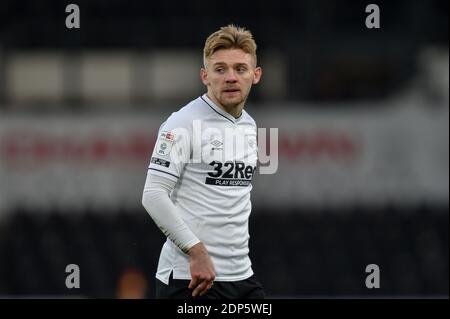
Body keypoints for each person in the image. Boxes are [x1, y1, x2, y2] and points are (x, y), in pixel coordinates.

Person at [141, 24, 265, 299]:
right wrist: (195, 252)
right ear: (205, 75)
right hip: (191, 279)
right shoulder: (182, 123)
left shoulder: (249, 125)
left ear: (255, 75)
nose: (231, 77)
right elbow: (152, 194)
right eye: (220, 69)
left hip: (241, 277)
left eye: (240, 69)